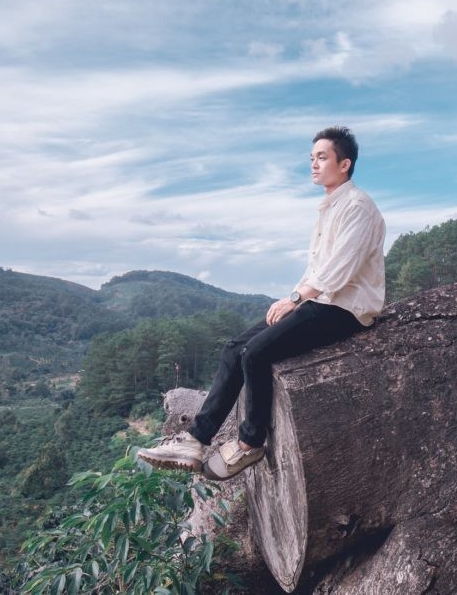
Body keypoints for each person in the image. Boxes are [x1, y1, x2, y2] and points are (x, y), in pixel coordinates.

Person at [138, 126, 386, 480]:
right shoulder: (329, 208)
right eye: (312, 158)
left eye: (322, 157)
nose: (314, 164)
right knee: (233, 349)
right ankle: (195, 440)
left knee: (255, 353)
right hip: (320, 300)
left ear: (344, 164)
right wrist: (293, 299)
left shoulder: (357, 207)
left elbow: (339, 269)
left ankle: (250, 443)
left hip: (345, 309)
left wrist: (296, 298)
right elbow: (316, 268)